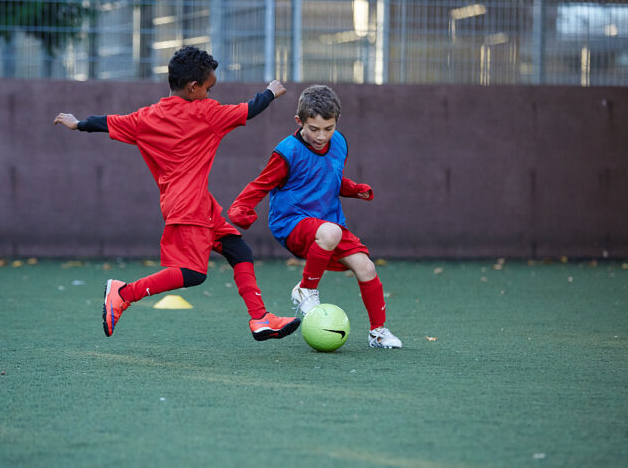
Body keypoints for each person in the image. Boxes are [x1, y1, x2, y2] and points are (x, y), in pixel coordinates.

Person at [53, 46, 300, 342]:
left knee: (239, 250)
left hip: (195, 205)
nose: (210, 94)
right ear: (194, 87)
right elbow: (250, 109)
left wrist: (78, 123)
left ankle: (261, 319)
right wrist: (271, 91)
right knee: (192, 273)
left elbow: (106, 122)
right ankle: (123, 293)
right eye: (209, 88)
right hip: (189, 208)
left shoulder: (146, 117)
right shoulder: (207, 113)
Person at [228, 85, 402, 349]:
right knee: (331, 232)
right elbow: (261, 184)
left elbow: (329, 178)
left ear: (337, 123)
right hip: (292, 222)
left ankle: (378, 332)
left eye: (328, 128)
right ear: (299, 122)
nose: (321, 136)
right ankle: (305, 290)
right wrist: (240, 207)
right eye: (314, 128)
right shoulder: (287, 151)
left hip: (328, 223)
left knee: (366, 267)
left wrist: (353, 189)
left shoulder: (340, 143)